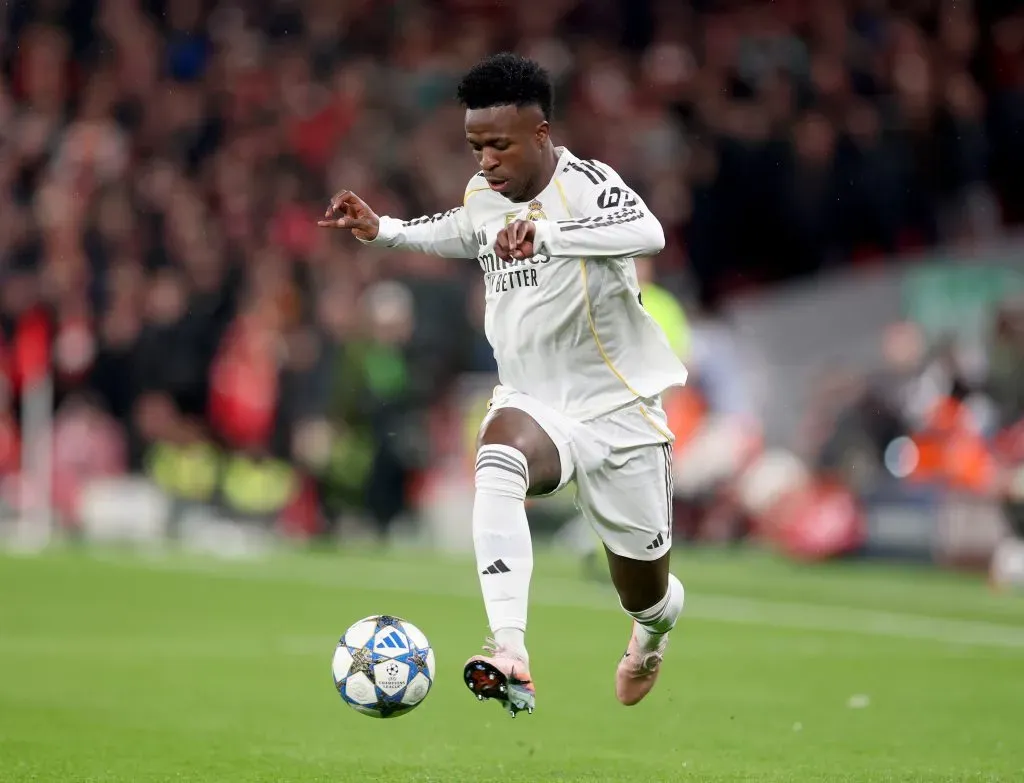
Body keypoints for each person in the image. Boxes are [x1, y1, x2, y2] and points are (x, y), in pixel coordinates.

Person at [318, 53, 688, 717]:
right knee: (497, 458)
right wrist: (386, 231)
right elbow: (465, 231)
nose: (485, 160)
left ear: (541, 135)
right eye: (475, 145)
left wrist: (548, 234)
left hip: (620, 411)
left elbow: (648, 231)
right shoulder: (483, 195)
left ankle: (652, 635)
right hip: (536, 402)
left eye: (499, 144)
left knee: (645, 593)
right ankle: (510, 650)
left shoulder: (588, 184)